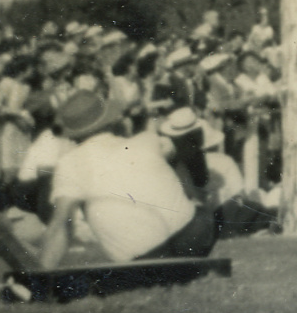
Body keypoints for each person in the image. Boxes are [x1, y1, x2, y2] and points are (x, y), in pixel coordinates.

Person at [39, 89, 216, 268]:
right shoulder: (147, 139)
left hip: (144, 259)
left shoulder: (69, 163)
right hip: (196, 236)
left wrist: (42, 276)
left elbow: (60, 223)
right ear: (112, 120)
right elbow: (176, 154)